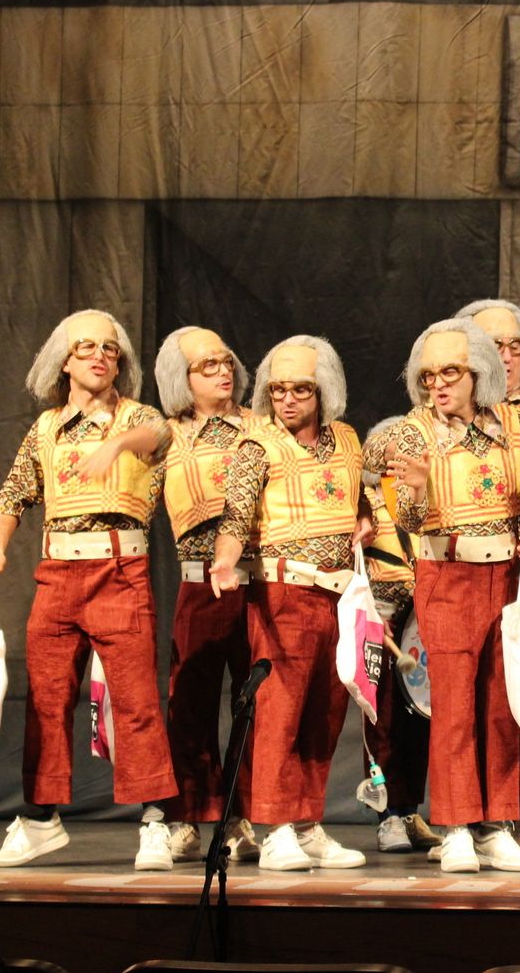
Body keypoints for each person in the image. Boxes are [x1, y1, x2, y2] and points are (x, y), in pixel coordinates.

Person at [0, 309, 177, 870]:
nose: (98, 356)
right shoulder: (45, 429)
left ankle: (156, 821)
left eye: (110, 349)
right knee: (46, 700)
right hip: (57, 577)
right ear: (64, 361)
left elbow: (158, 435)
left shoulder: (138, 417)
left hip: (119, 573)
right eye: (86, 347)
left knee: (135, 699)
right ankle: (41, 819)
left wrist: (115, 446)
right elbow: (13, 494)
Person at [372, 317, 520, 873]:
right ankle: (458, 824)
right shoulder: (410, 432)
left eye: (452, 373)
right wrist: (416, 489)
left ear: (479, 373)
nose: (439, 384)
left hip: (507, 577)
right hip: (447, 576)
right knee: (455, 705)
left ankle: (496, 824)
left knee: (502, 705)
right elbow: (408, 519)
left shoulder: (514, 421)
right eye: (430, 374)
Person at [209, 336, 373, 872]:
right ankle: (275, 826)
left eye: (300, 389)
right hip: (283, 594)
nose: (287, 400)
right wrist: (224, 562)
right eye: (278, 389)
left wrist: (367, 520)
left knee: (325, 714)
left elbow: (362, 501)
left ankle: (307, 822)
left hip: (338, 598)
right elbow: (235, 518)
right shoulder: (257, 447)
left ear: (323, 390)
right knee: (278, 713)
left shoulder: (347, 440)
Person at [152, 326, 262, 864]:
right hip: (198, 586)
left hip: (259, 587)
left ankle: (241, 816)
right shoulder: (165, 437)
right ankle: (192, 813)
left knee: (254, 704)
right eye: (207, 365)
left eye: (227, 361)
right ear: (181, 378)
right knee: (189, 705)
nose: (223, 371)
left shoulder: (261, 428)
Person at [455, 298, 520, 854]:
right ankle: (464, 817)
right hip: (462, 564)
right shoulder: (451, 406)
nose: (507, 356)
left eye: (515, 346)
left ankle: (518, 815)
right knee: (464, 696)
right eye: (495, 346)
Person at [358, 415, 440, 855]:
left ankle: (409, 810)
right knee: (382, 719)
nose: (396, 457)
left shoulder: (423, 492)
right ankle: (386, 815)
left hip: (423, 613)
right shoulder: (365, 500)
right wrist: (370, 610)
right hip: (383, 613)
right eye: (388, 450)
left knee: (420, 721)